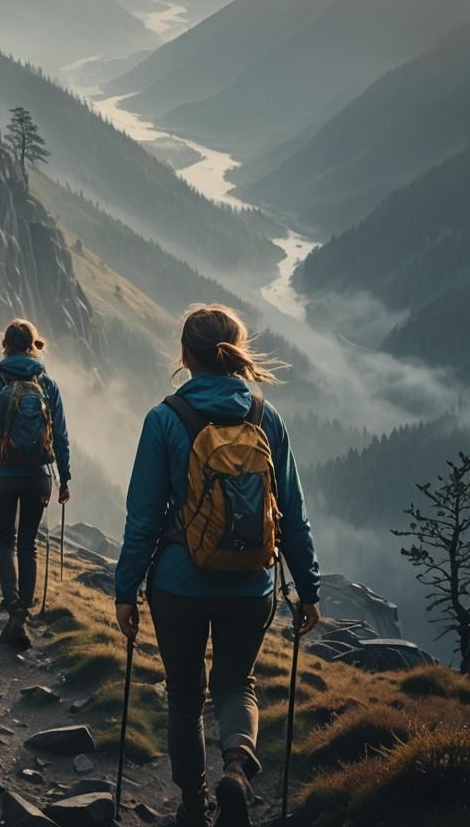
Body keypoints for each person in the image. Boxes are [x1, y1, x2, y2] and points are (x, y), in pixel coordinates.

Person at [114, 305, 320, 827]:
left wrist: (126, 590)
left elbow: (143, 518)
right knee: (236, 685)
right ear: (236, 353)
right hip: (249, 585)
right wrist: (309, 588)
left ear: (184, 356)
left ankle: (192, 806)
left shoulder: (164, 419)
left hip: (179, 584)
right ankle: (236, 768)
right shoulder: (265, 417)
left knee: (185, 697)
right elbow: (290, 513)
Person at [0, 318, 71, 648]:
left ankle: (12, 607)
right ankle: (22, 615)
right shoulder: (48, 384)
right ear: (33, 345)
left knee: (6, 541)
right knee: (28, 545)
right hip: (39, 477)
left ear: (5, 345)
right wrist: (65, 478)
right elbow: (61, 436)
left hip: (3, 475)